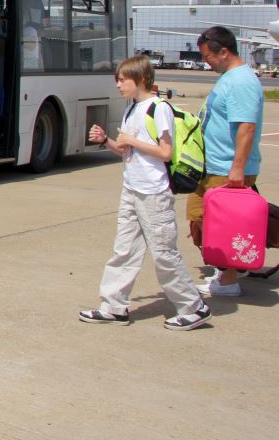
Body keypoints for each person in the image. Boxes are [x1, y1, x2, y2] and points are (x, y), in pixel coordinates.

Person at [80, 55, 211, 330]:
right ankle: (114, 306)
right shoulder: (131, 109)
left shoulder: (158, 108)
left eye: (122, 80)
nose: (118, 85)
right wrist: (107, 140)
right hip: (132, 187)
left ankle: (194, 307)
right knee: (124, 250)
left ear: (140, 79)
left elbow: (166, 152)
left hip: (154, 193)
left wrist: (132, 141)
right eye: (117, 79)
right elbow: (125, 151)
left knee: (164, 252)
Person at [191, 26, 264, 298]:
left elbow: (246, 127)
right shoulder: (230, 77)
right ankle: (229, 268)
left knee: (221, 222)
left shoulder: (241, 81)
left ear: (224, 52)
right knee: (199, 215)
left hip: (227, 168)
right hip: (215, 165)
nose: (205, 62)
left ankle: (229, 276)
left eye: (207, 56)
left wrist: (238, 167)